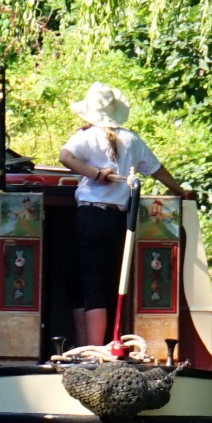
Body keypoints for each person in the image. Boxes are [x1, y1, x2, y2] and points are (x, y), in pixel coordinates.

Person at [58, 82, 192, 352]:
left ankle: (94, 350)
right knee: (101, 281)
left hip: (91, 216)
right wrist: (181, 191)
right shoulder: (132, 139)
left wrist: (95, 174)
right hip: (120, 221)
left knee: (90, 283)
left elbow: (64, 157)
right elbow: (157, 170)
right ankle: (91, 345)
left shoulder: (84, 136)